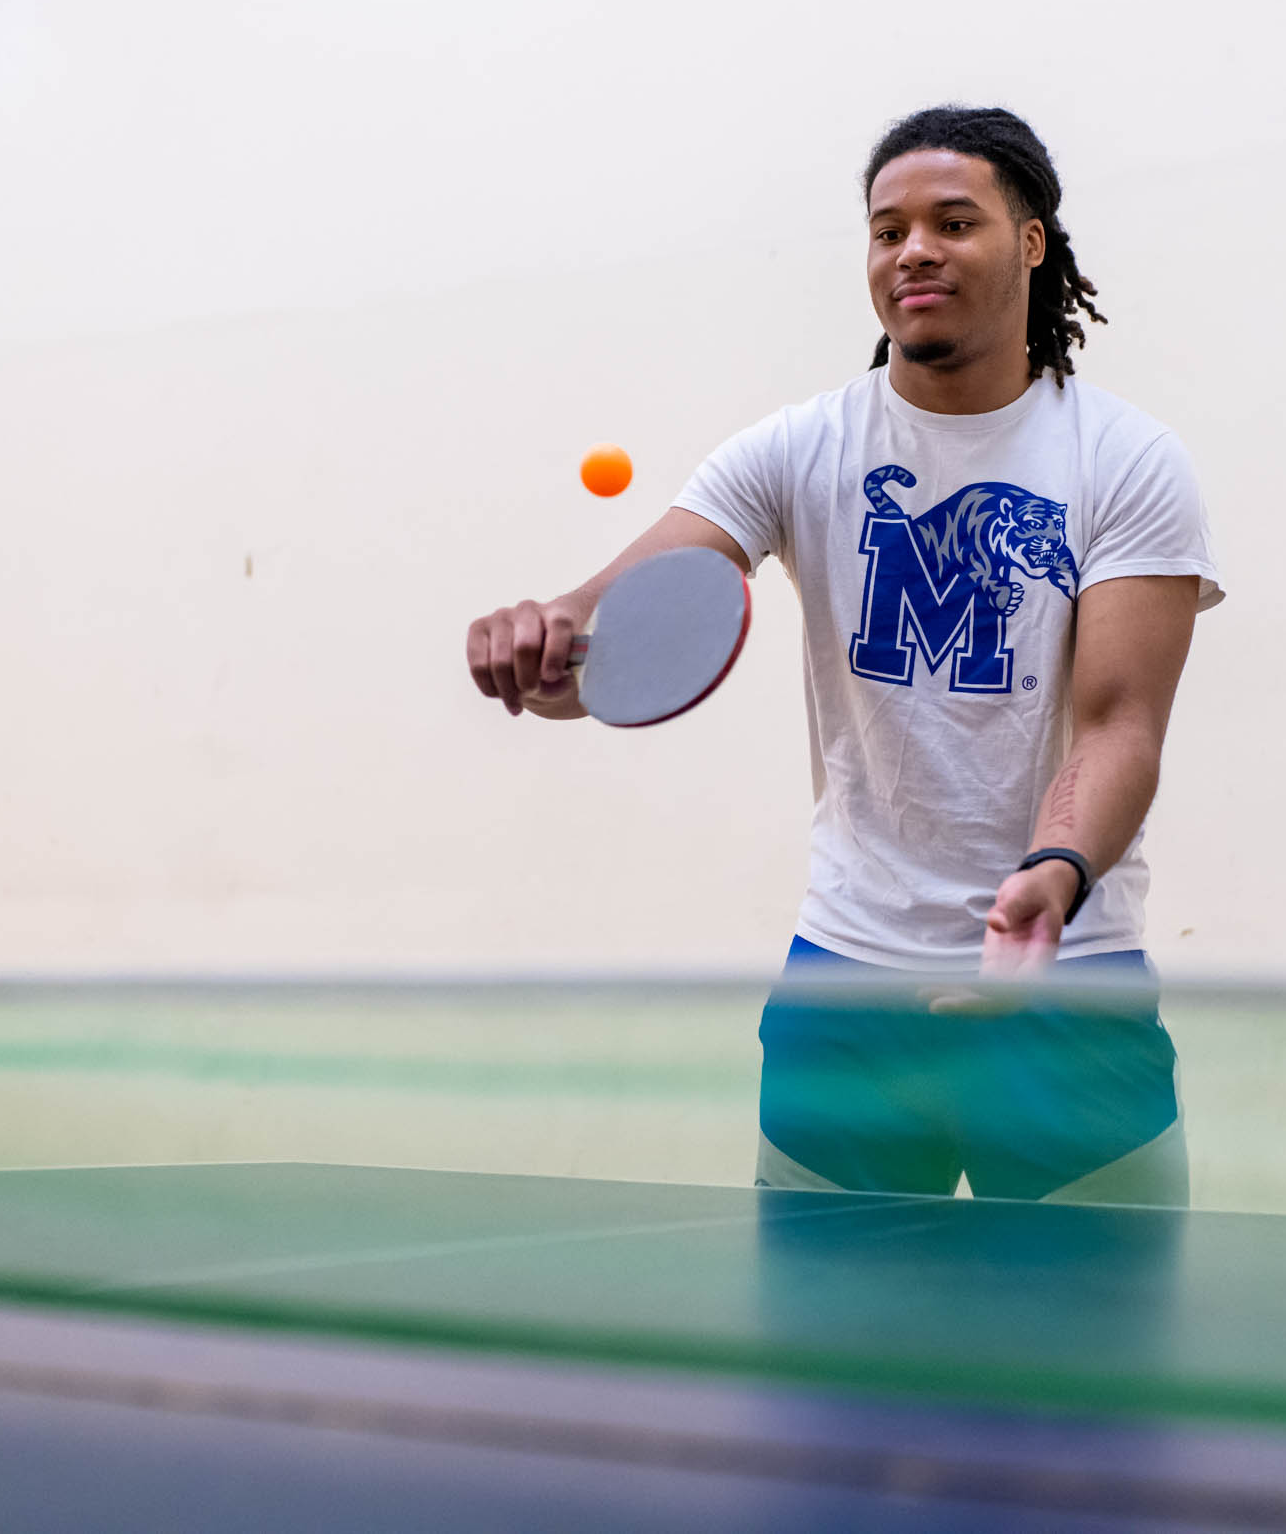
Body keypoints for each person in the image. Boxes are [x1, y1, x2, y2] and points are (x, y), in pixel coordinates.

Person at [466, 106, 1222, 1205]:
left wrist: (1049, 878)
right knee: (828, 1362)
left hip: (1065, 976)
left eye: (952, 221)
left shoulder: (1127, 461)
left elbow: (1119, 723)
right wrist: (538, 641)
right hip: (847, 988)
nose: (912, 248)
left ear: (1029, 243)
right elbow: (599, 643)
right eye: (887, 229)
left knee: (1097, 1363)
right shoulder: (794, 449)